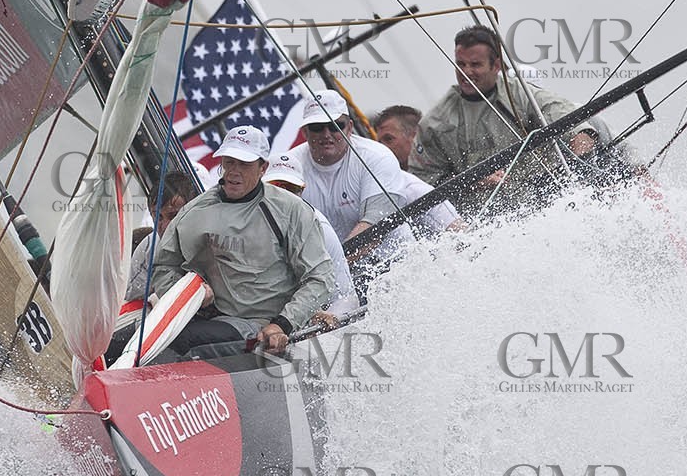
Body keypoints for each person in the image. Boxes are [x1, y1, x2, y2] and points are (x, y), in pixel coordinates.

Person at [140, 125, 334, 358]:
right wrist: (191, 299)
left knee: (181, 342)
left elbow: (320, 278)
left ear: (263, 168)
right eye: (229, 162)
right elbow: (164, 265)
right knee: (133, 339)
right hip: (213, 319)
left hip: (267, 325)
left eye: (243, 164)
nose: (233, 171)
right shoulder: (195, 211)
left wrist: (283, 323)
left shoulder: (291, 210)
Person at [411, 24, 601, 215]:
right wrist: (471, 181)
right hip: (486, 226)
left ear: (496, 66)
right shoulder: (434, 123)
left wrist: (579, 159)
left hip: (546, 209)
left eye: (475, 65)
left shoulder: (520, 94)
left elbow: (566, 117)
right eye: (461, 64)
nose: (466, 72)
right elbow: (421, 187)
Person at [290, 89, 459, 245]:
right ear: (305, 132)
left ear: (349, 128)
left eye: (336, 126)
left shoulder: (377, 157)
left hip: (394, 264)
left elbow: (373, 232)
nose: (326, 134)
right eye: (317, 127)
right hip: (336, 271)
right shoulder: (288, 166)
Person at [264, 152, 359, 330]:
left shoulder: (320, 228)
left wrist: (325, 324)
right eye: (276, 187)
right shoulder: (244, 221)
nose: (284, 196)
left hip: (304, 327)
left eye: (292, 190)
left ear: (302, 190)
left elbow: (347, 298)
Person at [126, 180, 198, 302]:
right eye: (158, 217)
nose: (164, 226)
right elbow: (130, 298)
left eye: (173, 216)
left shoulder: (210, 239)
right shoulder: (149, 248)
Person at [373, 104, 422, 170]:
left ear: (414, 137)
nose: (382, 147)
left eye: (389, 139)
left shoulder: (437, 170)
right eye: (379, 143)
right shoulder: (382, 176)